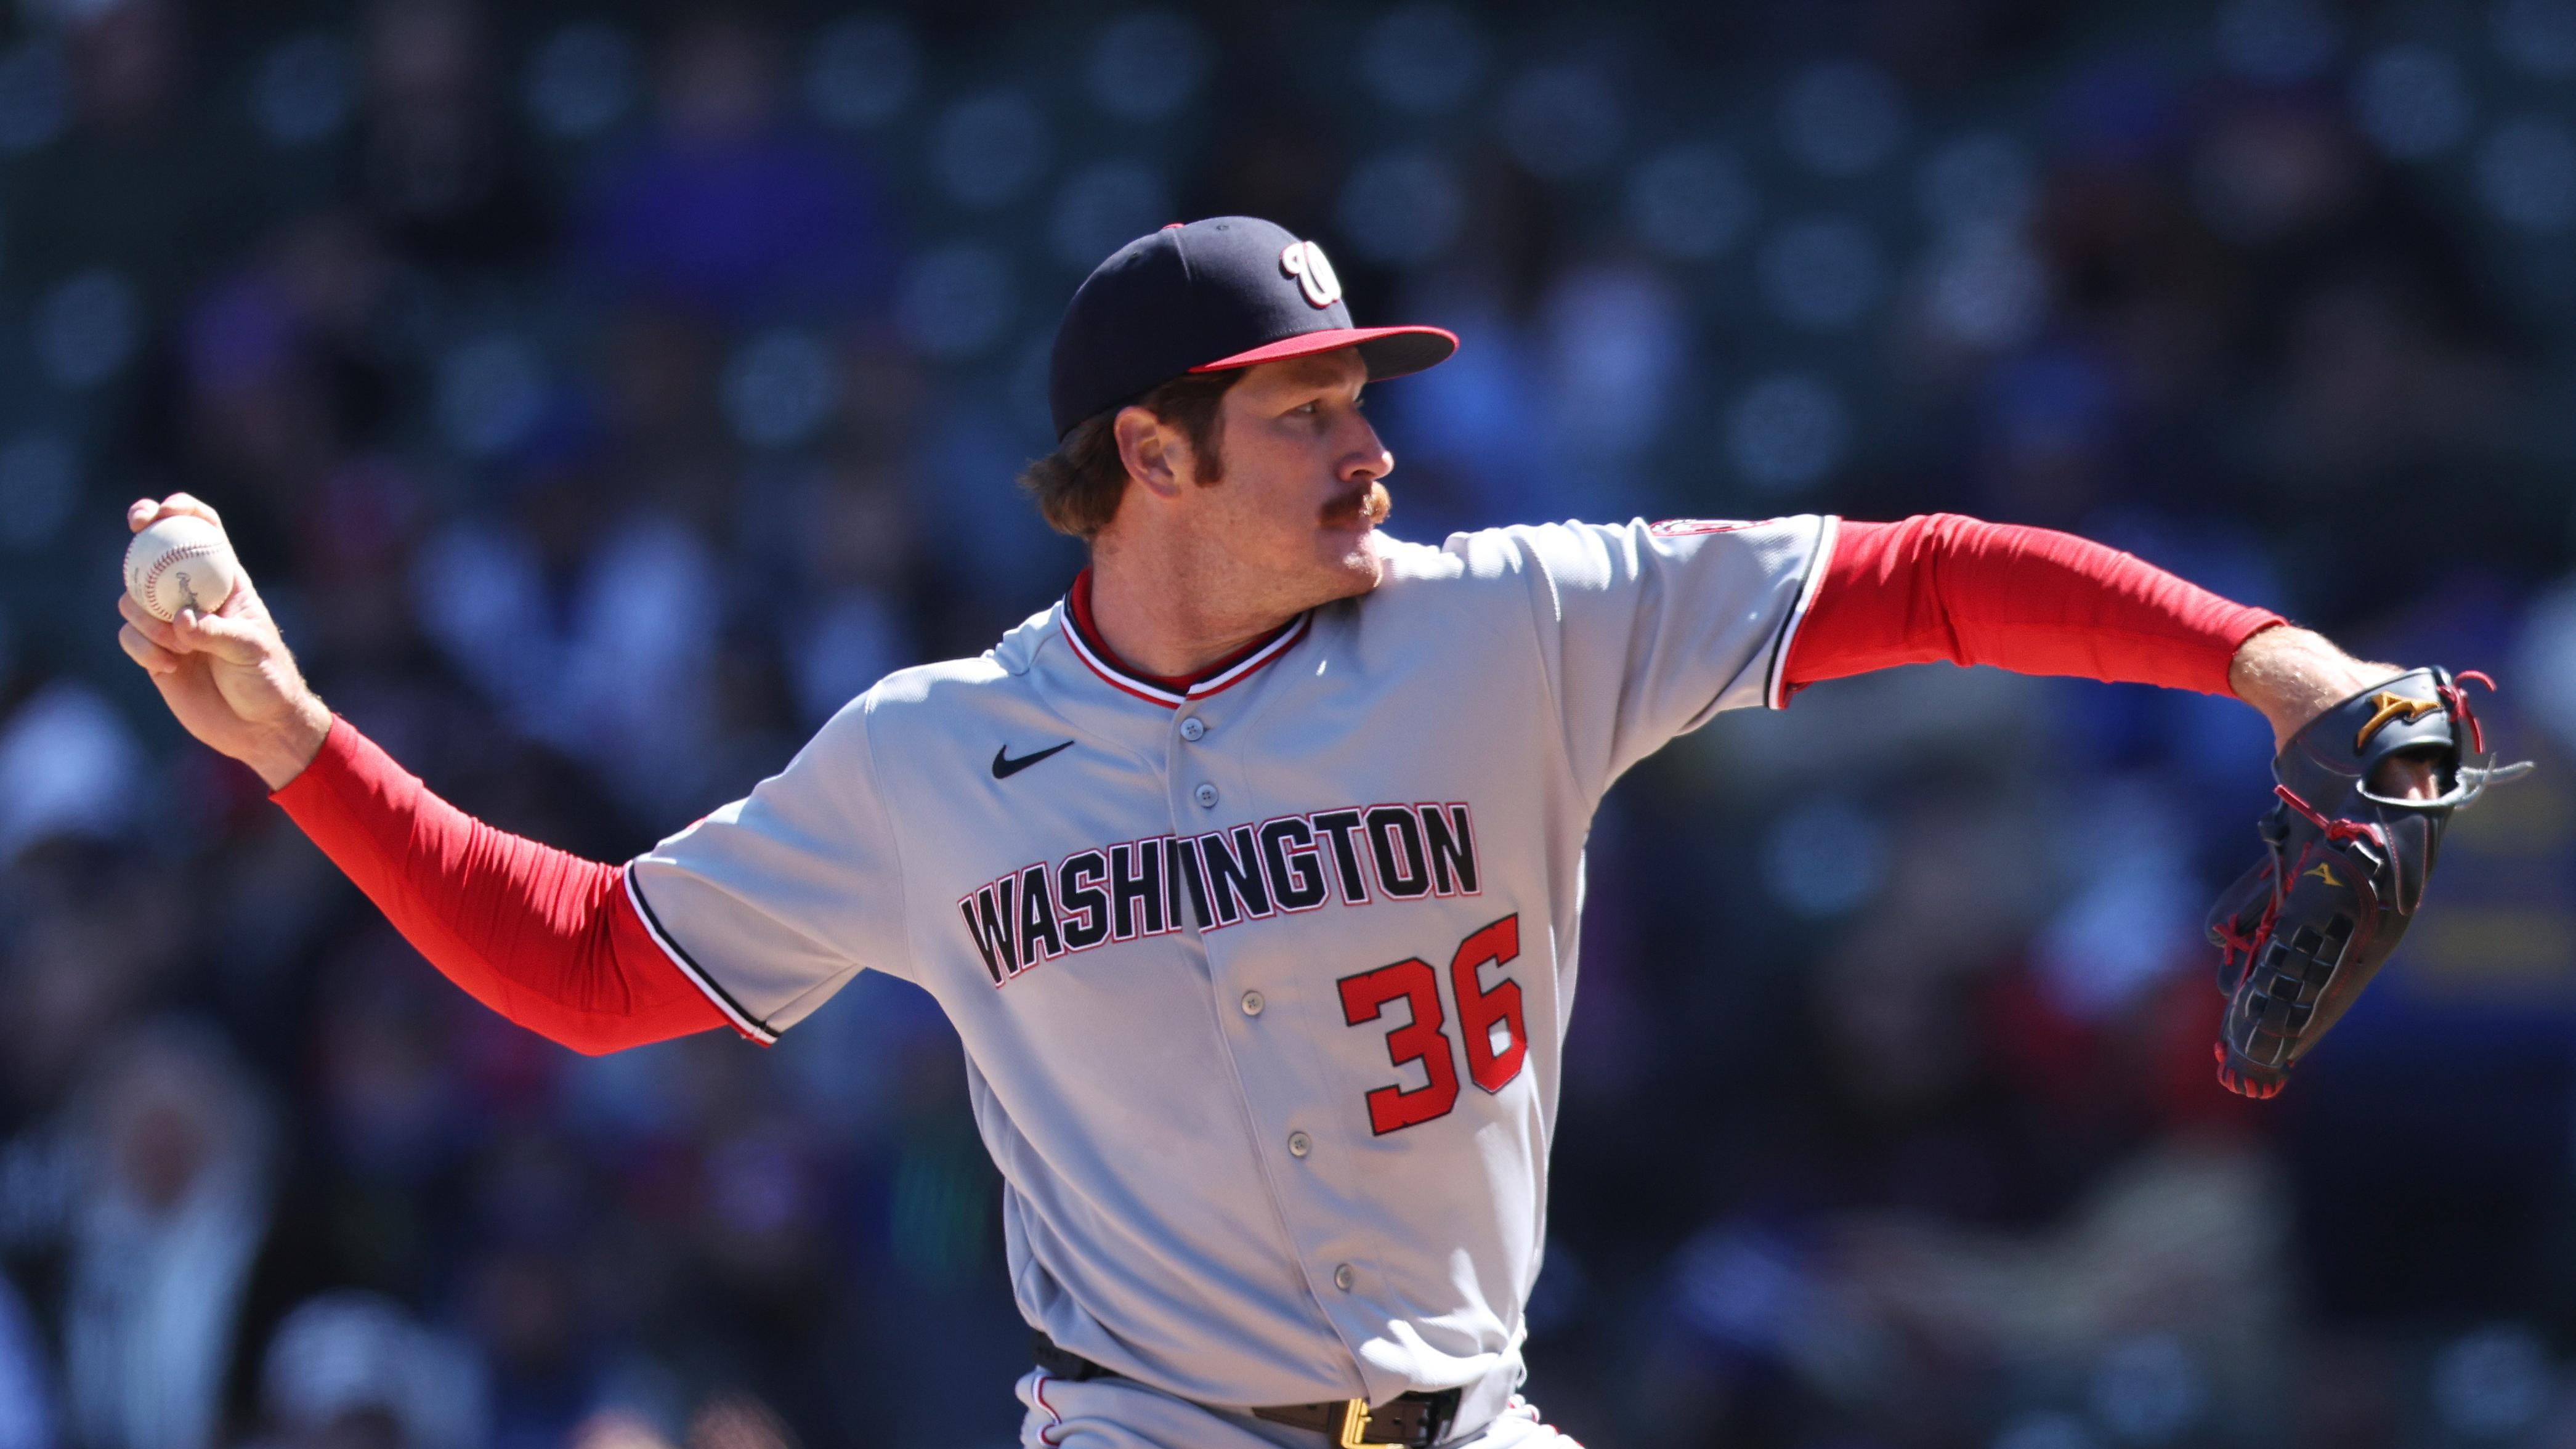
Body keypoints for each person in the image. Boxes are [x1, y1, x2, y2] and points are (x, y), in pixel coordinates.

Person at [116, 217, 2440, 1449]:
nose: (1369, 447)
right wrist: (304, 747)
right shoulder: (935, 757)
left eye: (1364, 396)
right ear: (1147, 455)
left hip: (1472, 1415)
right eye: (1307, 408)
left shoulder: (1518, 627)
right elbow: (593, 966)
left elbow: (1923, 577)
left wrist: (2281, 665)